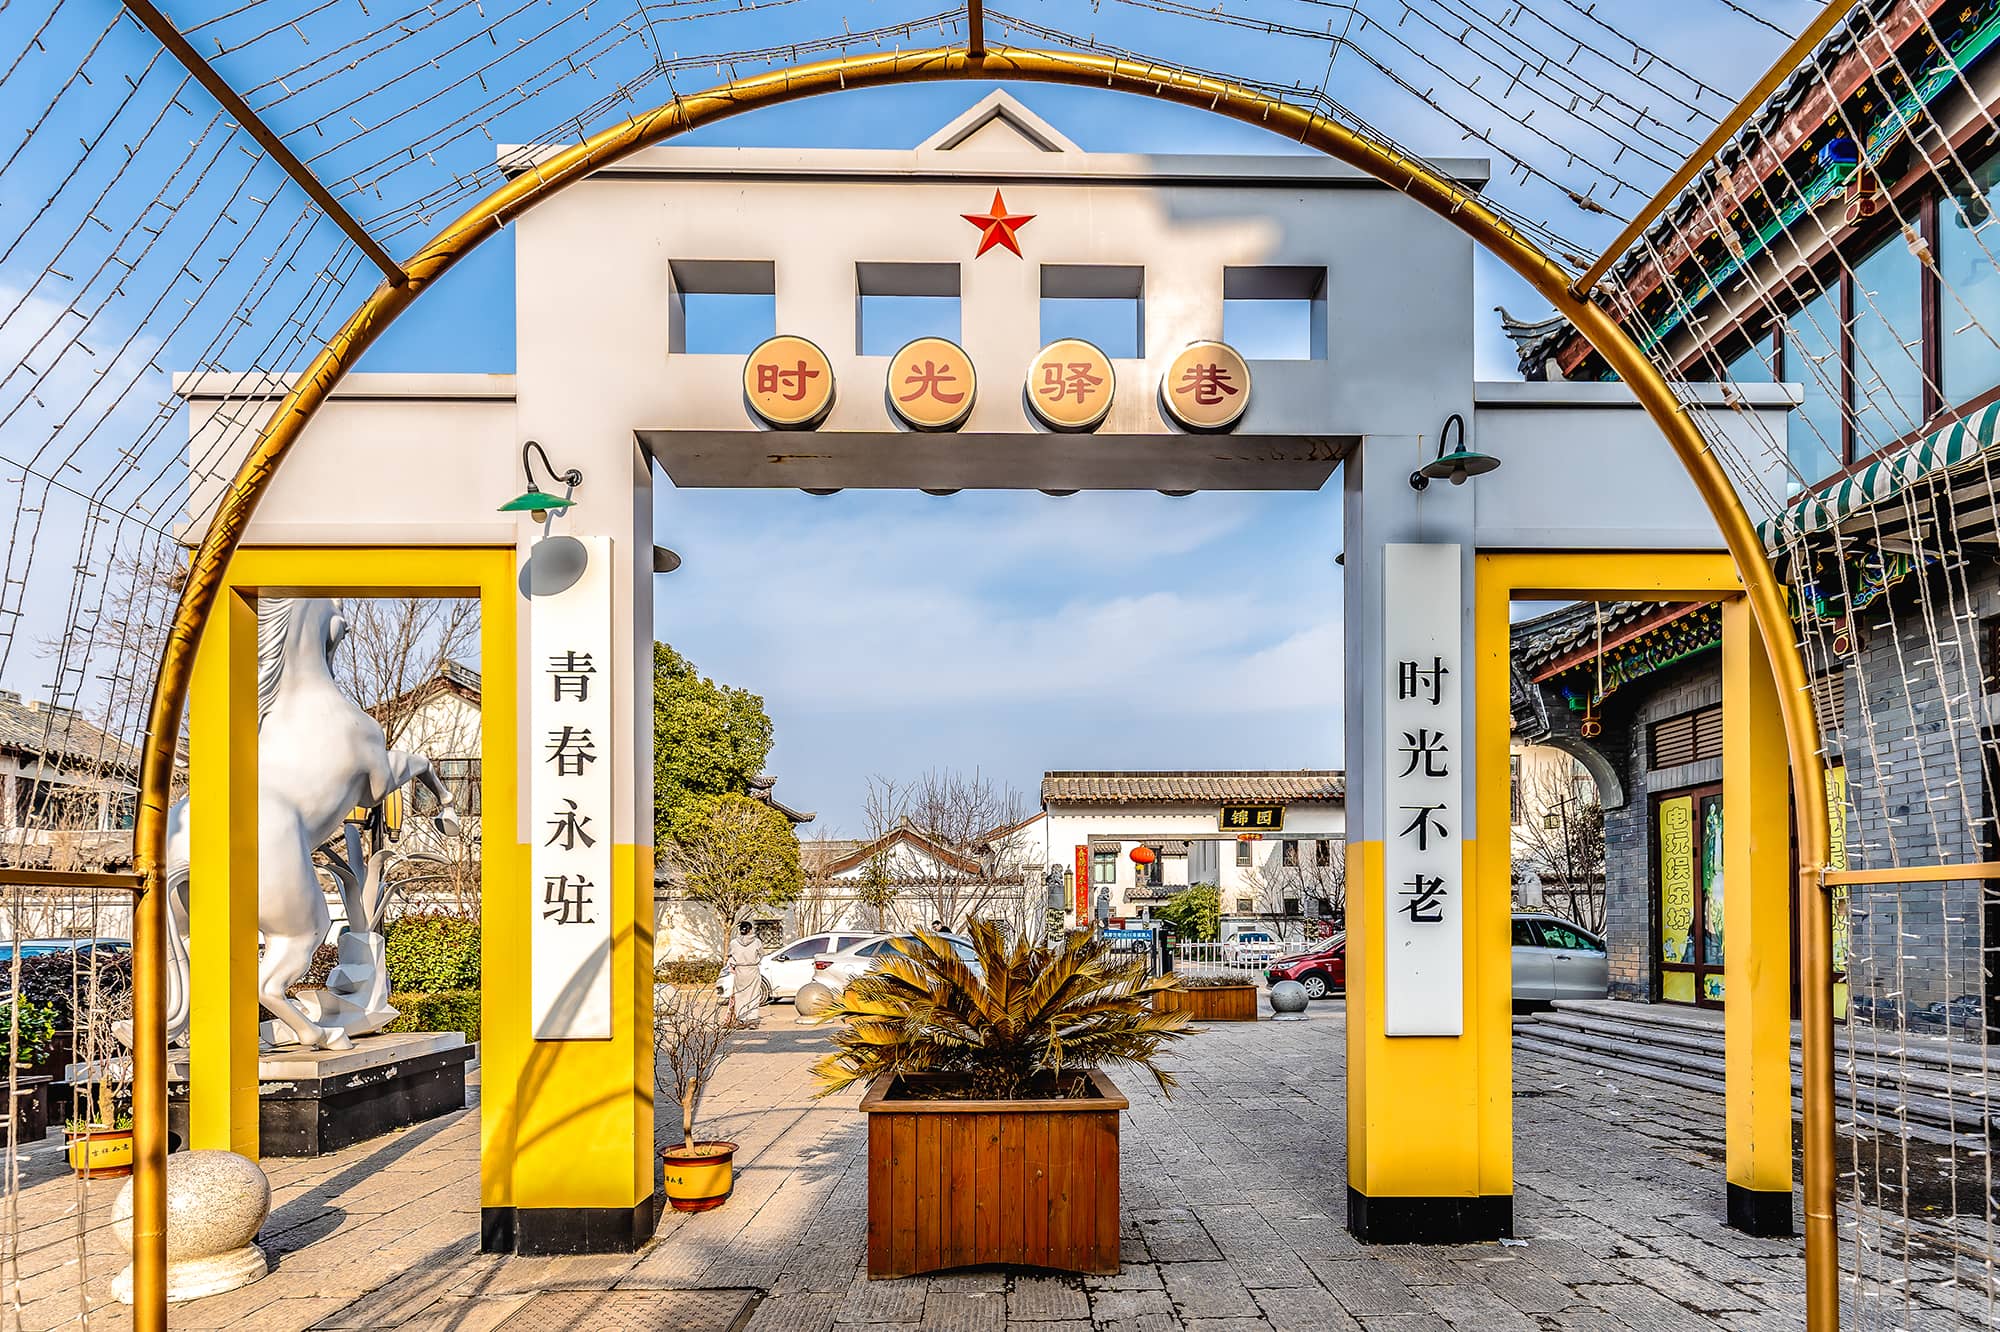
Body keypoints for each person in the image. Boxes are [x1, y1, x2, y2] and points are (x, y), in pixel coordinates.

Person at [728, 920, 764, 1025]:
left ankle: (741, 1018)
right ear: (750, 930)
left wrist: (733, 965)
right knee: (753, 994)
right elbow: (762, 954)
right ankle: (752, 1018)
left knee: (740, 994)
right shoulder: (757, 942)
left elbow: (731, 956)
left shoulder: (734, 943)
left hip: (740, 970)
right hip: (753, 969)